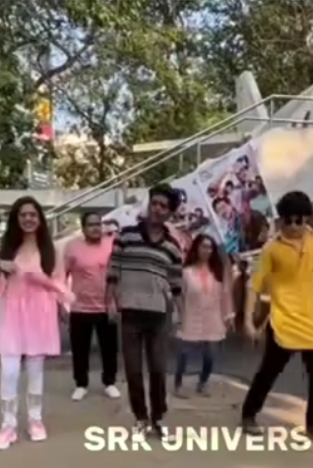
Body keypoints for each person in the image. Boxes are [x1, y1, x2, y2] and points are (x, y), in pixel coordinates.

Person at [240, 191, 313, 448]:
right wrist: (249, 320)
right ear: (281, 219)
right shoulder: (272, 248)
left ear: (307, 218)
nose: (294, 226)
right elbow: (254, 285)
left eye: (299, 220)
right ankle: (249, 414)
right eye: (289, 220)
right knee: (269, 372)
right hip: (282, 321)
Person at [0, 196, 73, 450]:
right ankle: (8, 425)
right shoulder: (5, 248)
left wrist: (41, 279)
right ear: (16, 219)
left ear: (40, 219)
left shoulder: (51, 250)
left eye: (32, 215)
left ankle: (35, 420)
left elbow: (60, 285)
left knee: (35, 371)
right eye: (23, 215)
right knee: (9, 371)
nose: (28, 219)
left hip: (40, 314)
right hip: (12, 314)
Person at [106, 183, 184, 442]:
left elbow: (176, 284)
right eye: (155, 203)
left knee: (158, 369)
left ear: (170, 213)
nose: (157, 209)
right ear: (149, 205)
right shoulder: (126, 236)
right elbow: (112, 271)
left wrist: (180, 315)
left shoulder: (172, 246)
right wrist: (110, 302)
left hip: (159, 315)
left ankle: (158, 418)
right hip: (130, 312)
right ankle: (141, 418)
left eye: (164, 206)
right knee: (133, 370)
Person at [65, 211, 120, 401]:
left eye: (98, 224)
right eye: (91, 225)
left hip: (107, 306)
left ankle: (109, 382)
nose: (96, 228)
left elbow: (118, 274)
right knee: (80, 349)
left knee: (109, 348)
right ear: (83, 228)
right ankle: (81, 384)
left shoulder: (112, 245)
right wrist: (62, 303)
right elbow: (61, 275)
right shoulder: (72, 247)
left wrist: (117, 303)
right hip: (80, 308)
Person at [173, 234, 234, 398]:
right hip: (190, 316)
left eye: (210, 247)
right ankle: (178, 384)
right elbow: (179, 296)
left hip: (212, 318)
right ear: (196, 248)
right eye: (203, 246)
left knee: (210, 356)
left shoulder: (217, 272)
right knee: (184, 353)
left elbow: (225, 294)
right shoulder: (186, 273)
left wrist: (228, 315)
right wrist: (179, 316)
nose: (207, 250)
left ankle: (203, 383)